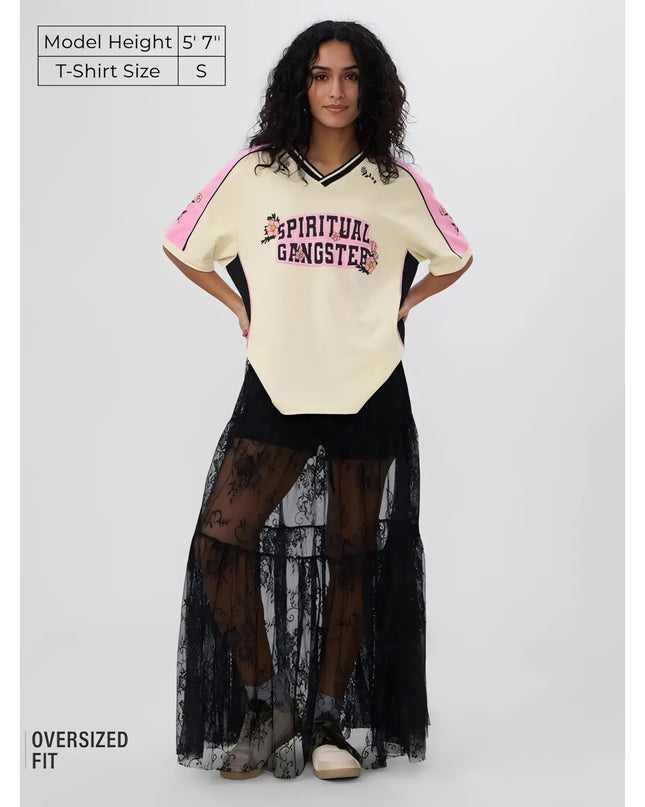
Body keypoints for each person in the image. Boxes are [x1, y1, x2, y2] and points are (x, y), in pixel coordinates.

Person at [162, 19, 473, 781]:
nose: (335, 91)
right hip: (277, 383)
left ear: (371, 89)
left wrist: (405, 306)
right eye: (320, 75)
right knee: (220, 543)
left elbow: (454, 255)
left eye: (350, 76)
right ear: (299, 85)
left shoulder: (393, 182)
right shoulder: (254, 172)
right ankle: (270, 706)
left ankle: (332, 720)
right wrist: (238, 305)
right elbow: (181, 242)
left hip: (369, 386)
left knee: (352, 555)